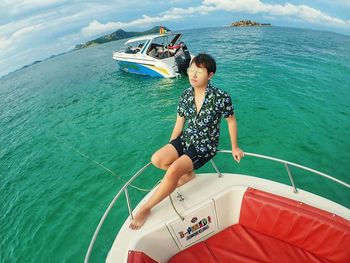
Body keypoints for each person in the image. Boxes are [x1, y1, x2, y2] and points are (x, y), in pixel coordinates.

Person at [129, 53, 244, 230]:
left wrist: (235, 147)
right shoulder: (185, 96)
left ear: (210, 75)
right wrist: (171, 145)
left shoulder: (221, 97)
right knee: (157, 159)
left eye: (199, 71)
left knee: (173, 171)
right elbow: (179, 124)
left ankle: (146, 208)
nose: (193, 74)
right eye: (191, 70)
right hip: (187, 138)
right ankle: (188, 174)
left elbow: (231, 121)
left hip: (204, 145)